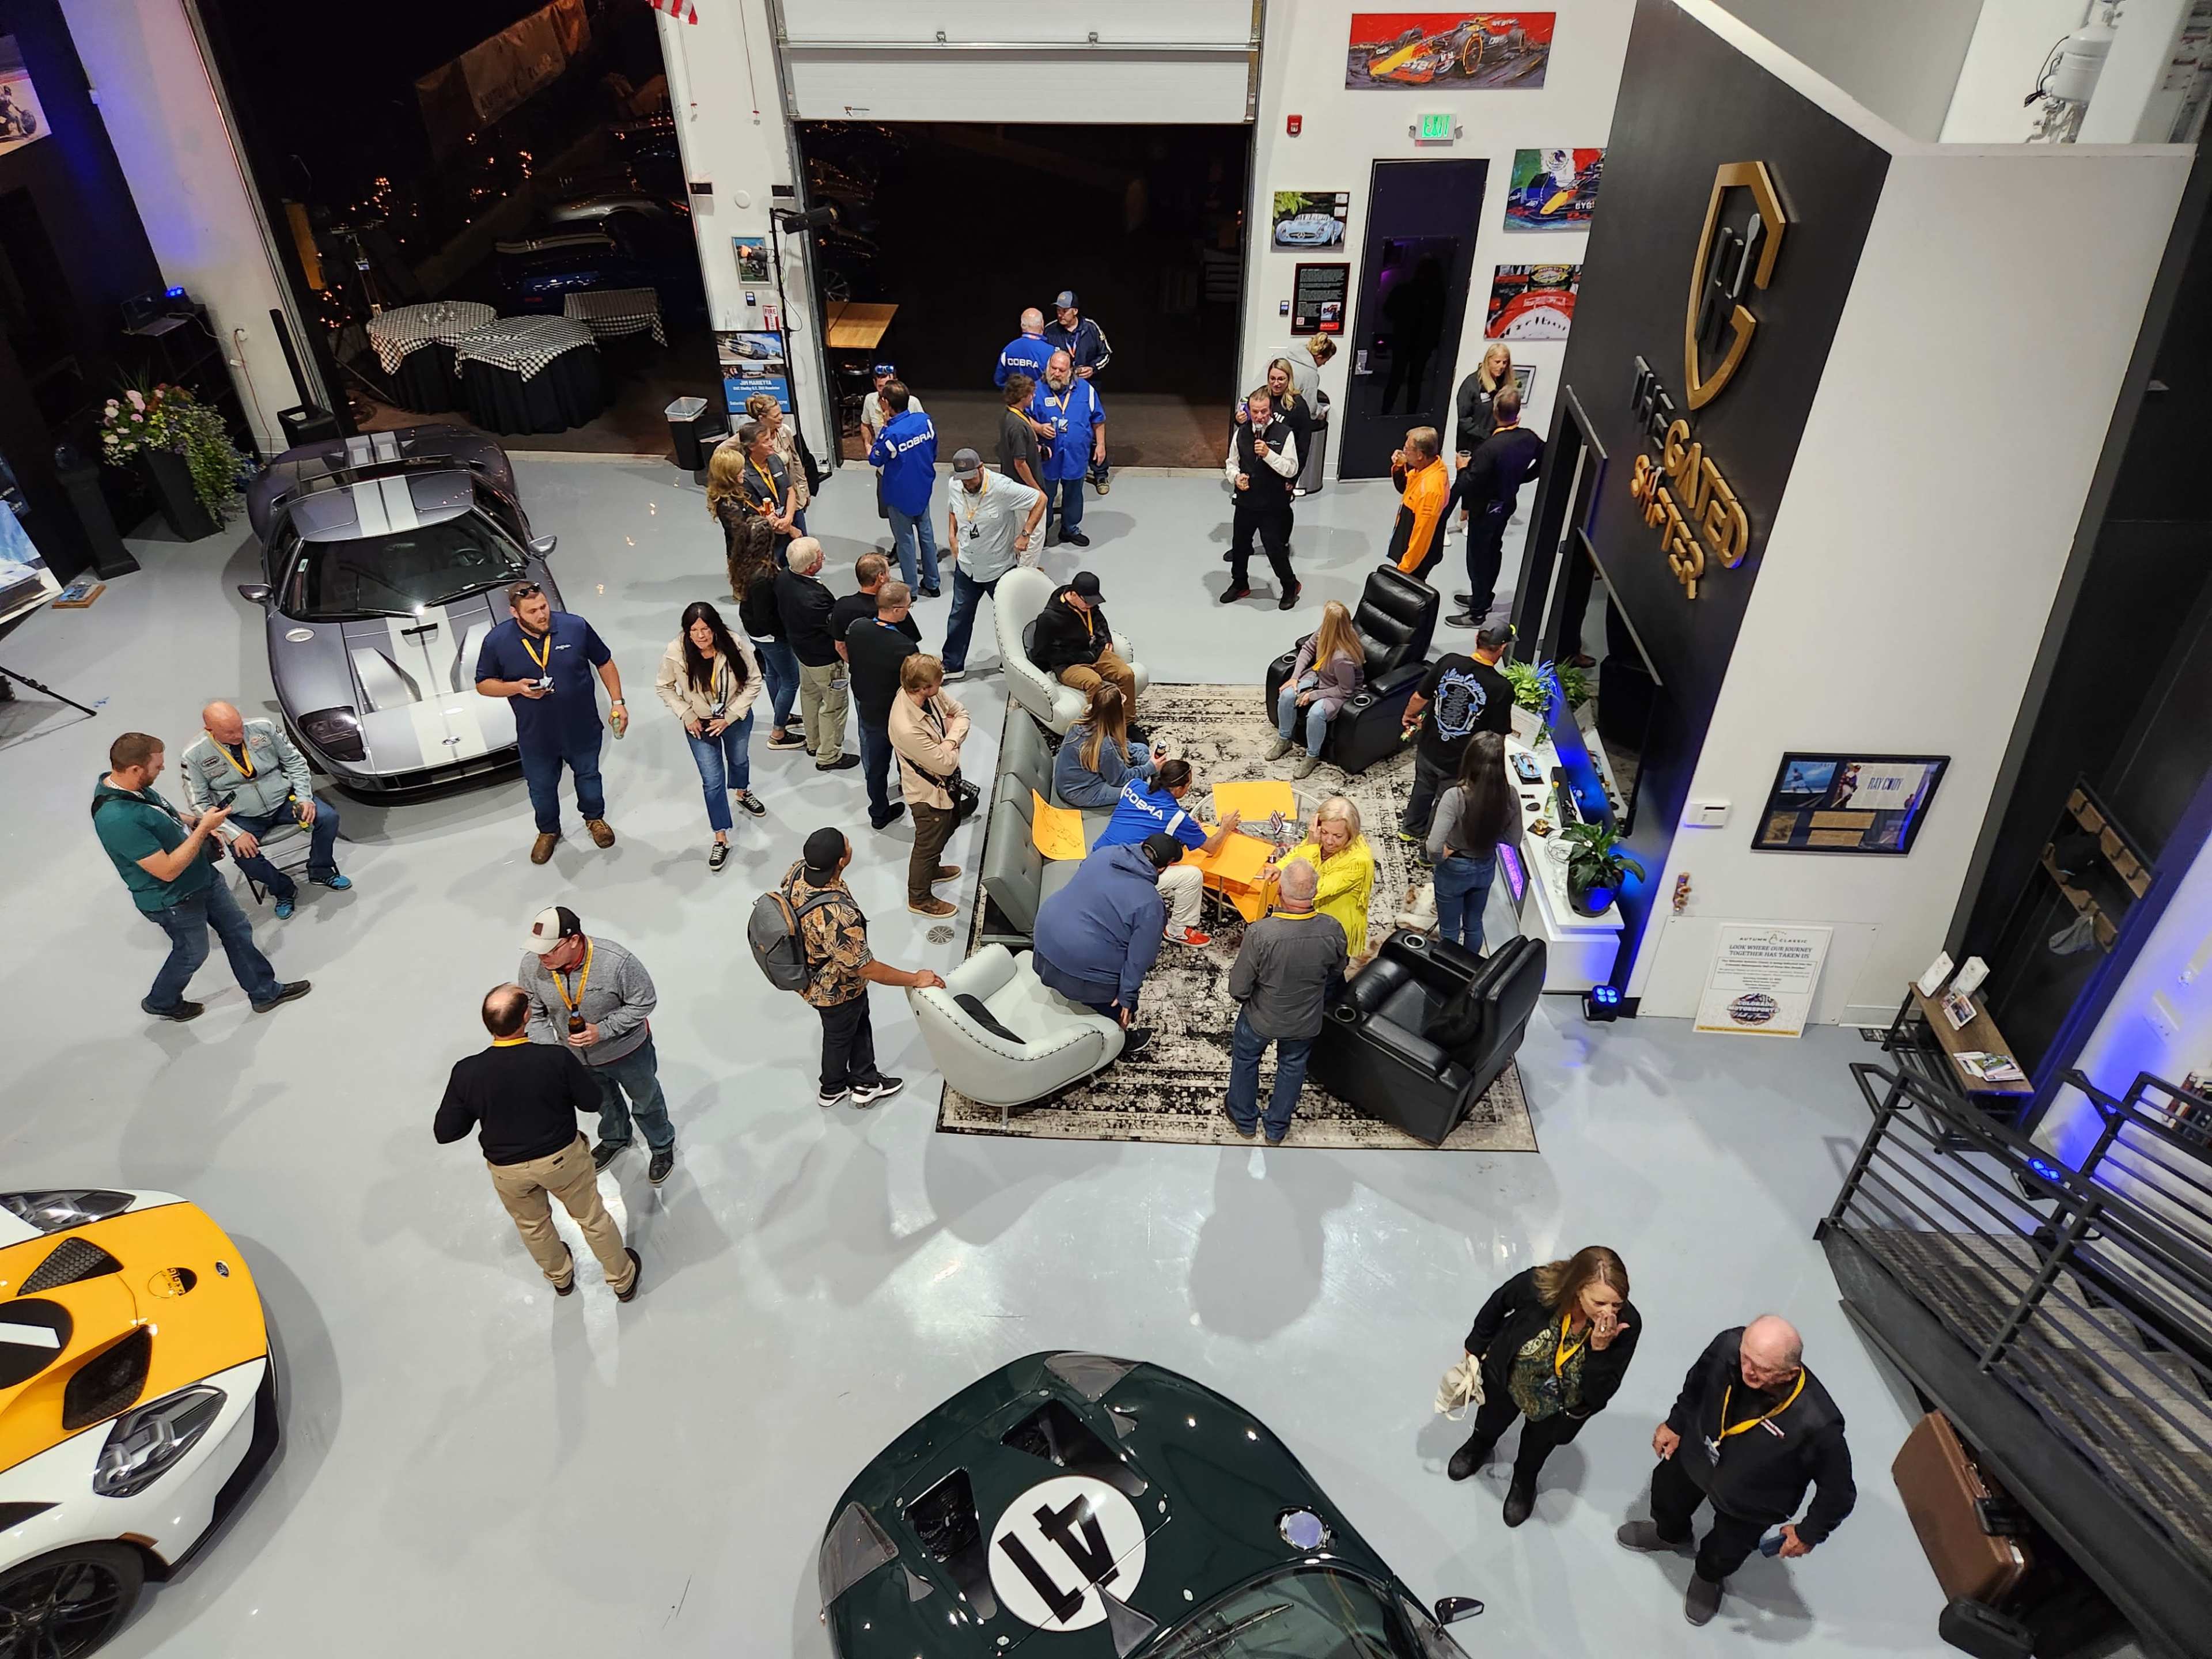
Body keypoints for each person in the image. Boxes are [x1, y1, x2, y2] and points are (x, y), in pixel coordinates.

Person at [1620, 1316, 1857, 1628]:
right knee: (1667, 1495)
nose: (1748, 1371)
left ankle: (1708, 1576)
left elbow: (1839, 1493)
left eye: (1762, 1368)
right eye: (1746, 1358)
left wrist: (1809, 1533)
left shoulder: (1818, 1422)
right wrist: (1676, 1423)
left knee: (1726, 1550)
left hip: (1753, 1502)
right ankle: (1670, 1534)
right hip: (1699, 1454)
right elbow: (1696, 1385)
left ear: (1791, 1373)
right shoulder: (1729, 1345)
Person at [434, 983, 640, 1301]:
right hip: (562, 1161)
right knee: (591, 1218)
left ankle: (560, 1278)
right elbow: (590, 1102)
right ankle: (622, 1279)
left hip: (509, 1172)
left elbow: (446, 1132)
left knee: (533, 1227)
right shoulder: (555, 1059)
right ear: (527, 1017)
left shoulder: (467, 1072)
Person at [93, 730, 309, 1021]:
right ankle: (162, 1000)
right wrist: (204, 829)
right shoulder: (118, 819)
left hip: (203, 878)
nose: (163, 769)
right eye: (157, 766)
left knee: (238, 931)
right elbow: (167, 871)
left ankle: (264, 992)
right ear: (135, 769)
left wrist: (194, 820)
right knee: (192, 953)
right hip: (174, 900)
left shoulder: (132, 786)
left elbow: (163, 810)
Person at [1450, 1247, 1639, 1528]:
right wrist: (1475, 1347)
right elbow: (1498, 1304)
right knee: (1491, 1418)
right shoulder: (1539, 1285)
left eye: (1617, 1304)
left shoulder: (1625, 1325)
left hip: (1558, 1405)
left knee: (1537, 1447)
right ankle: (1480, 1444)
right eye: (1599, 1303)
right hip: (1510, 1378)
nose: (1608, 1314)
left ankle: (1524, 1481)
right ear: (1577, 1289)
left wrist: (1600, 1351)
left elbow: (1601, 1393)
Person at [781, 827, 944, 1107]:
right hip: (836, 989)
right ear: (842, 860)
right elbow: (866, 969)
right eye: (846, 843)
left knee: (845, 1030)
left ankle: (853, 1080)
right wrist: (915, 978)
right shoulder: (837, 916)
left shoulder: (797, 872)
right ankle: (852, 1085)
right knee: (844, 1030)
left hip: (809, 971)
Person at [518, 905, 676, 1183]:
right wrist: (552, 1054)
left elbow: (644, 1001)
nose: (542, 957)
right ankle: (615, 1138)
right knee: (603, 1102)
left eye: (550, 950)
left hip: (628, 1053)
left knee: (646, 1100)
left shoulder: (617, 962)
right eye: (539, 950)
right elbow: (535, 1012)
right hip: (576, 1059)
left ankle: (661, 1145)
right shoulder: (533, 966)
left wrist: (602, 1031)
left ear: (574, 941)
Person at [475, 579, 627, 863]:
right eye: (532, 611)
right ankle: (548, 831)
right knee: (541, 787)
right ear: (514, 613)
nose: (542, 615)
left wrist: (618, 703)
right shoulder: (497, 641)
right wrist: (516, 688)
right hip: (537, 736)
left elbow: (604, 662)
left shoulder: (575, 627)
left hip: (581, 727)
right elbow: (484, 684)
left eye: (544, 607)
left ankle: (595, 819)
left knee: (589, 776)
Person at [179, 700, 351, 919]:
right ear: (209, 730)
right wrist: (234, 833)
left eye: (240, 727)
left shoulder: (264, 727)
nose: (238, 734)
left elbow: (295, 762)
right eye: (230, 732)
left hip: (285, 800)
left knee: (328, 817)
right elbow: (199, 804)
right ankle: (283, 889)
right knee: (245, 857)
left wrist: (305, 798)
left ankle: (321, 870)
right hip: (243, 816)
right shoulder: (193, 755)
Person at [1225, 858, 1347, 1144]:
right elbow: (1337, 971)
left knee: (1246, 1059)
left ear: (1279, 892)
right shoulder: (1333, 929)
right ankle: (1277, 1128)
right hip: (1305, 1021)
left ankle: (1244, 1120)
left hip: (1260, 1019)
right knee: (1293, 1067)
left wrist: (1247, 998)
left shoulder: (1261, 933)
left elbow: (1239, 987)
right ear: (1315, 893)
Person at [1031, 831, 1181, 1056]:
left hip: (1044, 935)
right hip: (1079, 960)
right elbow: (1139, 960)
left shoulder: (1103, 853)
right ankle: (1117, 1039)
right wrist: (1127, 998)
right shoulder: (1151, 904)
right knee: (1123, 995)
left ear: (1142, 845)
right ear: (1163, 868)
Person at [656, 601, 766, 870]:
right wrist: (686, 714)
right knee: (712, 780)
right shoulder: (675, 653)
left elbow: (754, 680)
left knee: (739, 760)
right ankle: (721, 836)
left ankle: (742, 791)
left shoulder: (735, 645)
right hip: (699, 725)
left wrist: (730, 717)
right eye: (694, 630)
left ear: (715, 629)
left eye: (705, 629)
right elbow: (664, 687)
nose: (701, 636)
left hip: (733, 719)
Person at [1092, 757, 1240, 948]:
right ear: (1178, 789)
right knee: (1192, 876)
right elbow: (1211, 847)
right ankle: (1177, 930)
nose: (1189, 789)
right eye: (1189, 785)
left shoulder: (1134, 785)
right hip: (1121, 881)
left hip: (1095, 860)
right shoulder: (1177, 817)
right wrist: (1225, 828)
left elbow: (1141, 821)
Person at [1399, 622, 1514, 841]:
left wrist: (1409, 715)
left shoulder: (1448, 661)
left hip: (1429, 747)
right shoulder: (1502, 688)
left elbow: (1418, 697)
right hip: (1461, 763)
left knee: (1423, 788)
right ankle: (1428, 852)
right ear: (1502, 648)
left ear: (1476, 639)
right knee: (1446, 805)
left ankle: (1410, 830)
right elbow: (1497, 736)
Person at [942, 446, 1044, 681]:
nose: (968, 484)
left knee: (1010, 618)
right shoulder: (955, 485)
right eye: (963, 480)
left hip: (999, 568)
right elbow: (952, 508)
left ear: (981, 468)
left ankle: (1017, 662)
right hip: (967, 566)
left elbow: (1040, 499)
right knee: (959, 615)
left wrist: (1025, 534)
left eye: (971, 478)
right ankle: (953, 664)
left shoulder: (1002, 488)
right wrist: (951, 535)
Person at [1448, 387, 1546, 629]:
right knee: (1494, 550)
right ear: (1518, 412)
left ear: (1495, 412)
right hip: (1506, 504)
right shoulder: (1529, 438)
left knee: (1478, 557)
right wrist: (1522, 478)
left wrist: (1461, 467)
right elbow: (1545, 459)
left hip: (1485, 509)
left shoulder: (1490, 448)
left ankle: (1477, 612)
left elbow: (1470, 481)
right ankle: (1484, 597)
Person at [886, 654, 971, 919]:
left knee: (948, 826)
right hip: (928, 794)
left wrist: (948, 741)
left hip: (946, 785)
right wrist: (954, 740)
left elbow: (962, 714)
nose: (942, 685)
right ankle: (919, 898)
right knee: (928, 844)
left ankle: (933, 870)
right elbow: (945, 765)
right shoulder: (907, 727)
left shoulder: (929, 694)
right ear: (922, 687)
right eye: (938, 682)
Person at [1427, 732, 1523, 951]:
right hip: (1486, 867)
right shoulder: (1511, 795)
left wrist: (1441, 857)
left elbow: (1433, 846)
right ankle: (1471, 972)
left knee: (1450, 930)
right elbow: (1513, 841)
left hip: (1454, 869)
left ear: (1469, 760)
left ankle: (1448, 971)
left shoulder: (1455, 796)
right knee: (1474, 925)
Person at [775, 538, 857, 771]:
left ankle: (814, 743)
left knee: (810, 697)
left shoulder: (783, 578)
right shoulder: (815, 599)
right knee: (833, 706)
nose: (823, 557)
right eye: (820, 556)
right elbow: (835, 628)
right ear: (811, 567)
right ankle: (829, 756)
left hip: (802, 652)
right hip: (825, 660)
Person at [846, 580, 922, 831]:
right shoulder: (905, 647)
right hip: (896, 714)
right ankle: (914, 796)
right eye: (908, 606)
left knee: (875, 766)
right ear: (898, 609)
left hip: (867, 709)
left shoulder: (856, 629)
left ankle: (879, 813)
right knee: (909, 758)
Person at [728, 507, 805, 752]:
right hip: (771, 635)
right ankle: (778, 732)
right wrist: (786, 635)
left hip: (755, 631)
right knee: (791, 680)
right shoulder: (765, 575)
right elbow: (767, 615)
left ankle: (780, 714)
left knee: (773, 674)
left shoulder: (742, 563)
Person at [1264, 797, 1376, 959]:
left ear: (1351, 834)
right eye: (1324, 832)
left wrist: (1312, 846)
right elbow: (1298, 853)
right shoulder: (1318, 838)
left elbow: (1310, 889)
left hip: (1333, 925)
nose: (1329, 841)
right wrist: (1279, 867)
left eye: (1338, 836)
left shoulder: (1359, 862)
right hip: (1314, 913)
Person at [1222, 385, 1302, 610]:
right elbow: (1231, 463)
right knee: (1240, 545)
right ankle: (1240, 583)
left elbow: (1291, 468)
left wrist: (1268, 455)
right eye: (1255, 411)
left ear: (1270, 410)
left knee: (1274, 548)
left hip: (1273, 503)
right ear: (1249, 410)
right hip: (1246, 501)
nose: (1260, 416)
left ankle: (1290, 586)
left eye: (1264, 411)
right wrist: (1236, 478)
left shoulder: (1285, 434)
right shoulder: (1241, 433)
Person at [1268, 600, 1365, 777]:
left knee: (1316, 714)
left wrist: (1313, 695)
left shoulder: (1342, 658)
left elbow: (1345, 691)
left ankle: (1312, 756)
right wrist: (1294, 678)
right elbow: (1307, 649)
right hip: (1320, 675)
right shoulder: (1326, 632)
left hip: (1338, 691)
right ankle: (1284, 740)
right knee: (1288, 695)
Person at [868, 380, 941, 597]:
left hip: (899, 496)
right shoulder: (924, 421)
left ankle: (911, 589)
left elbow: (875, 459)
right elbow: (934, 449)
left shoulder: (891, 434)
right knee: (927, 536)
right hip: (923, 488)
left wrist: (882, 429)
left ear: (886, 403)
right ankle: (933, 583)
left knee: (905, 541)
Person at [1029, 350, 1105, 547]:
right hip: (1048, 456)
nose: (1056, 373)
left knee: (1074, 493)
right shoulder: (1035, 390)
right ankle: (1041, 532)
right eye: (1053, 368)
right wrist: (1038, 427)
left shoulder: (1086, 390)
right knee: (1045, 496)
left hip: (1076, 455)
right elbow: (1019, 415)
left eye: (1061, 370)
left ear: (1070, 371)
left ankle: (1070, 529)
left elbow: (1098, 418)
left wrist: (1101, 446)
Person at [1028, 571, 1137, 709]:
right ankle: (1097, 726)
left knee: (1126, 674)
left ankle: (1127, 722)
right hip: (1068, 665)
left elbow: (1099, 621)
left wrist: (1106, 639)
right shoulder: (1049, 618)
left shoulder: (1087, 606)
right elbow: (1043, 652)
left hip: (1095, 654)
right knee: (1094, 682)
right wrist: (1082, 657)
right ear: (1073, 594)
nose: (1090, 606)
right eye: (1087, 602)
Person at [1041, 290, 1115, 493]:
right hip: (1058, 389)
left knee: (1091, 427)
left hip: (1087, 388)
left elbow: (1106, 353)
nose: (1060, 314)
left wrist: (1094, 368)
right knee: (1062, 429)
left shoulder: (1090, 328)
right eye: (1058, 310)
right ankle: (1062, 473)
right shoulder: (1050, 331)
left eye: (1064, 311)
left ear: (1075, 311)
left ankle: (1101, 474)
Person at [1052, 683, 1154, 810]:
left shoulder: (1085, 716)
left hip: (1078, 778)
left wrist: (1149, 761)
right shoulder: (1105, 747)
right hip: (1082, 792)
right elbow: (1120, 779)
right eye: (1122, 699)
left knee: (1142, 748)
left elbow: (1124, 744)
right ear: (1117, 713)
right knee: (1143, 790)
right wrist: (1150, 768)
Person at [745, 392, 819, 536]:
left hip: (791, 497)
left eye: (781, 413)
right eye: (776, 415)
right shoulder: (750, 439)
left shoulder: (785, 431)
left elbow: (796, 461)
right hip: (769, 503)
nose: (781, 417)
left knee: (800, 538)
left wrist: (804, 489)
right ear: (762, 419)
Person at [1388, 427, 1453, 582]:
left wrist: (1404, 570)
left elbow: (1422, 537)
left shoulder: (1430, 490)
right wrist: (1399, 466)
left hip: (1416, 559)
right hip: (1408, 544)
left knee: (1410, 592)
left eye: (1407, 449)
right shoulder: (1427, 468)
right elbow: (1406, 487)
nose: (1403, 451)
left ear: (1420, 455)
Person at [857, 363, 914, 529]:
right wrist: (868, 445)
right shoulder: (870, 400)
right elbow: (865, 424)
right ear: (875, 384)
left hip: (905, 470)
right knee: (890, 512)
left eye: (888, 386)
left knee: (913, 512)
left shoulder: (911, 402)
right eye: (881, 387)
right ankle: (900, 543)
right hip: (884, 469)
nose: (884, 392)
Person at [732, 419, 800, 557]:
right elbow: (759, 513)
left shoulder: (775, 459)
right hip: (768, 535)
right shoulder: (744, 476)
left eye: (770, 438)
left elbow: (790, 490)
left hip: (786, 521)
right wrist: (790, 529)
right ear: (752, 447)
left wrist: (789, 518)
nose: (771, 444)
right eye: (766, 441)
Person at [1454, 341, 1514, 460]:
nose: (1501, 366)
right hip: (1472, 445)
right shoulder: (1471, 384)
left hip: (1494, 443)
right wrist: (1486, 435)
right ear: (1488, 360)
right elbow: (1464, 420)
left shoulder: (1504, 384)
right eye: (1497, 362)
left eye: (1505, 362)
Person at [997, 373, 1044, 492]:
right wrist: (1036, 490)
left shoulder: (1009, 413)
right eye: (1031, 394)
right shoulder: (1017, 426)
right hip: (1023, 490)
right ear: (1022, 397)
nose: (1033, 396)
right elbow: (1020, 464)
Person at [994, 307, 1056, 390]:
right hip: (1040, 400)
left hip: (1015, 400)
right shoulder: (1052, 352)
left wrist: (1015, 393)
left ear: (1022, 325)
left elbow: (999, 380)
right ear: (1042, 324)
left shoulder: (1008, 349)